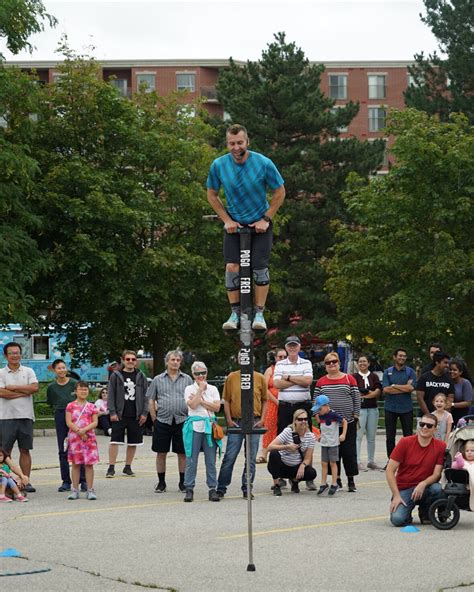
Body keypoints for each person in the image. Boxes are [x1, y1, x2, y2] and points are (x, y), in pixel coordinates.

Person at [207, 123, 286, 331]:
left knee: (259, 268)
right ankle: (235, 313)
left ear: (247, 142)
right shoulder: (219, 165)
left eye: (239, 143)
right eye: (231, 143)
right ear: (227, 144)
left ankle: (259, 312)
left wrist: (266, 219)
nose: (236, 147)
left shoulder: (263, 163)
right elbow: (211, 194)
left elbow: (280, 192)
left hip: (259, 223)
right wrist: (226, 219)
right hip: (235, 224)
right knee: (232, 267)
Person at [216, 356, 268, 499]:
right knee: (230, 456)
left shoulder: (260, 377)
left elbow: (265, 400)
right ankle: (221, 487)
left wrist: (262, 419)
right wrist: (228, 419)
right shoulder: (232, 377)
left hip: (254, 420)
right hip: (236, 421)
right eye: (243, 358)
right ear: (239, 360)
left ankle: (247, 487)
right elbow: (226, 400)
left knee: (250, 457)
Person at [386, 413, 445, 526]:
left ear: (435, 429)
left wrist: (423, 483)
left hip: (426, 488)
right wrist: (396, 495)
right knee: (398, 520)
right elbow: (389, 470)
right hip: (404, 488)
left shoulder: (440, 446)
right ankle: (406, 513)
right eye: (422, 424)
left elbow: (437, 474)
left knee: (437, 489)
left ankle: (425, 512)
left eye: (429, 426)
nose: (424, 427)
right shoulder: (405, 442)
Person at [313, 351, 360, 492]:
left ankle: (351, 480)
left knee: (349, 452)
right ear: (325, 365)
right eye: (328, 362)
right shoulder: (321, 382)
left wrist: (356, 415)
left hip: (348, 422)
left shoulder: (349, 379)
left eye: (334, 361)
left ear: (339, 363)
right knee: (333, 453)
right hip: (329, 425)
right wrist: (318, 419)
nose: (331, 364)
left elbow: (356, 398)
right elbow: (315, 401)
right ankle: (336, 480)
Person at [147, 349, 192, 493]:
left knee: (182, 453)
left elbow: (192, 398)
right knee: (161, 452)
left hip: (182, 420)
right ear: (167, 362)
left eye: (178, 360)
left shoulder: (187, 379)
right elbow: (151, 399)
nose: (175, 362)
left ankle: (182, 482)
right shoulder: (157, 379)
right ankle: (161, 482)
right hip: (163, 420)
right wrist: (154, 417)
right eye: (173, 360)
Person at [273, 336, 315, 489]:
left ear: (299, 347)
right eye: (289, 346)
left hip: (303, 405)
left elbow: (308, 382)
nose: (292, 348)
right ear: (286, 347)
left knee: (307, 439)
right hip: (286, 406)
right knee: (283, 438)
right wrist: (299, 380)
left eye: (295, 345)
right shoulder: (280, 364)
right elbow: (277, 384)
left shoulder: (306, 362)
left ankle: (307, 474)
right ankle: (282, 475)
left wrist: (289, 378)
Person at [0, 342, 39, 493]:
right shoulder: (1, 373)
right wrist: (24, 392)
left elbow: (35, 388)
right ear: (6, 356)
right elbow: (2, 393)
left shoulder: (28, 371)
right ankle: (6, 482)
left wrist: (13, 388)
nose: (15, 355)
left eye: (17, 352)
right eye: (11, 353)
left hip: (25, 416)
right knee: (4, 452)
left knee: (25, 450)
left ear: (21, 354)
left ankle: (25, 481)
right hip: (5, 417)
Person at [182, 362, 221, 502]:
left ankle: (212, 488)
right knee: (191, 459)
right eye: (197, 373)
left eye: (203, 373)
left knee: (210, 460)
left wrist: (201, 401)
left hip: (209, 426)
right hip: (194, 426)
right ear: (193, 374)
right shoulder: (188, 388)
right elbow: (192, 405)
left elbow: (217, 408)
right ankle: (189, 488)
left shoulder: (213, 389)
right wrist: (200, 391)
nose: (201, 376)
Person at [106, 350, 149, 478]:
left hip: (136, 414)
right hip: (120, 414)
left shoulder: (141, 376)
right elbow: (110, 394)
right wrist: (112, 412)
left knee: (133, 442)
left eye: (133, 359)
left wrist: (144, 412)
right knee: (115, 441)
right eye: (128, 359)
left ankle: (128, 466)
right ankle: (111, 467)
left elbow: (146, 396)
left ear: (136, 361)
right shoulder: (116, 375)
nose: (130, 361)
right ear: (123, 360)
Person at [47, 359, 87, 492]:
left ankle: (83, 480)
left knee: (79, 447)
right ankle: (66, 481)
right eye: (59, 368)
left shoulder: (75, 384)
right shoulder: (52, 387)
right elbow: (52, 402)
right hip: (60, 415)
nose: (62, 370)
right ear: (54, 370)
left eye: (64, 367)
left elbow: (82, 398)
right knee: (63, 449)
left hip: (76, 416)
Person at [267, 408, 317, 496]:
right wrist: (287, 446)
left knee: (312, 473)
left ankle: (295, 481)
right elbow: (270, 447)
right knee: (274, 453)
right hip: (282, 466)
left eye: (305, 419)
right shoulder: (288, 431)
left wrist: (303, 465)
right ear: (295, 421)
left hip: (296, 467)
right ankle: (276, 485)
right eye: (300, 419)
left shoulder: (311, 436)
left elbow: (308, 458)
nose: (303, 421)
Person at [65, 381, 99, 500]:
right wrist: (79, 431)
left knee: (89, 465)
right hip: (75, 439)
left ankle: (90, 489)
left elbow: (95, 422)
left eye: (86, 389)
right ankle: (74, 490)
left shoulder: (92, 406)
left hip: (89, 438)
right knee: (75, 464)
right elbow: (69, 422)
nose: (83, 391)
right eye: (81, 389)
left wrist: (84, 430)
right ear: (76, 391)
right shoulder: (70, 406)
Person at [382, 348, 417, 460]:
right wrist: (404, 388)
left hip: (406, 408)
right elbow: (386, 390)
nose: (402, 358)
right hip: (390, 408)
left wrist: (394, 386)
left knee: (408, 436)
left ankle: (408, 459)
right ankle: (391, 460)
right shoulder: (388, 371)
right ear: (394, 357)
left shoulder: (410, 371)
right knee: (390, 437)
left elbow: (411, 388)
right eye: (400, 355)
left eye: (404, 356)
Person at [312, 394, 347, 496]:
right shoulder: (321, 415)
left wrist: (343, 434)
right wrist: (319, 436)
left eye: (320, 409)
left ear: (326, 406)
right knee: (323, 463)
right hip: (324, 443)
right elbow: (321, 425)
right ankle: (323, 483)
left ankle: (334, 483)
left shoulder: (333, 415)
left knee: (332, 463)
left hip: (333, 443)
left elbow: (344, 422)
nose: (319, 411)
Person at [257, 348, 287, 464]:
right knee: (269, 427)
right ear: (275, 358)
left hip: (286, 403)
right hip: (272, 404)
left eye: (285, 357)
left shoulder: (290, 370)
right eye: (280, 357)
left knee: (284, 429)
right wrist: (276, 401)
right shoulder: (270, 370)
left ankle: (283, 454)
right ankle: (264, 454)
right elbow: (265, 389)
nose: (282, 359)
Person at [352, 355, 382, 471]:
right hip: (360, 410)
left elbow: (378, 391)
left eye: (364, 361)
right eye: (360, 362)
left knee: (371, 436)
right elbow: (354, 392)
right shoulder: (354, 377)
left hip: (372, 409)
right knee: (358, 436)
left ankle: (371, 460)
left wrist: (365, 395)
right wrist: (368, 394)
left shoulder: (374, 376)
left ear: (368, 363)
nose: (362, 363)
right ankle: (357, 461)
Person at [416, 351, 455, 416]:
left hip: (443, 416)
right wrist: (428, 415)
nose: (447, 365)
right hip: (425, 416)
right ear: (437, 362)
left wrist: (443, 414)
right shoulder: (424, 377)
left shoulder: (449, 379)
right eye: (445, 363)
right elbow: (420, 398)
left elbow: (450, 398)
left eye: (448, 363)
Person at [449, 359, 473, 426]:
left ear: (460, 372)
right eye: (450, 369)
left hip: (462, 415)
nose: (452, 372)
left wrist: (452, 405)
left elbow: (468, 402)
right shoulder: (448, 381)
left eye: (454, 370)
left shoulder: (465, 383)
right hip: (449, 414)